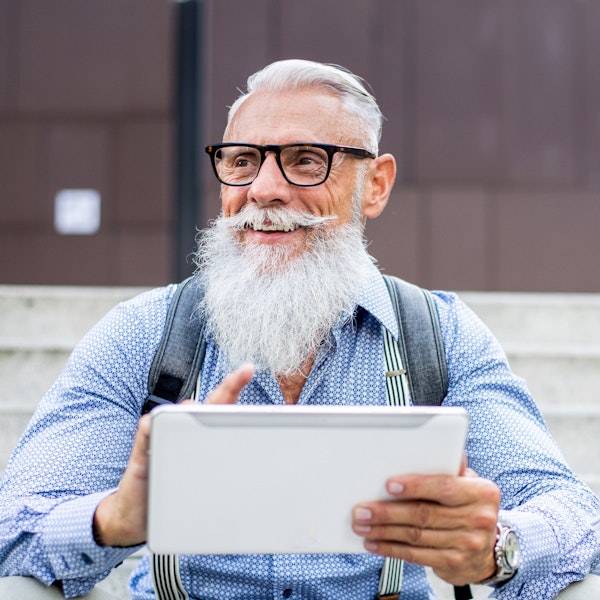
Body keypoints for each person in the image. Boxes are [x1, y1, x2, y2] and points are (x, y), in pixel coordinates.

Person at [0, 59, 599, 600]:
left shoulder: (437, 334)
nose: (263, 190)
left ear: (377, 185)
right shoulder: (143, 332)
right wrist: (115, 518)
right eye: (242, 161)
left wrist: (496, 547)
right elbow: (13, 528)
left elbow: (574, 516)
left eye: (306, 161)